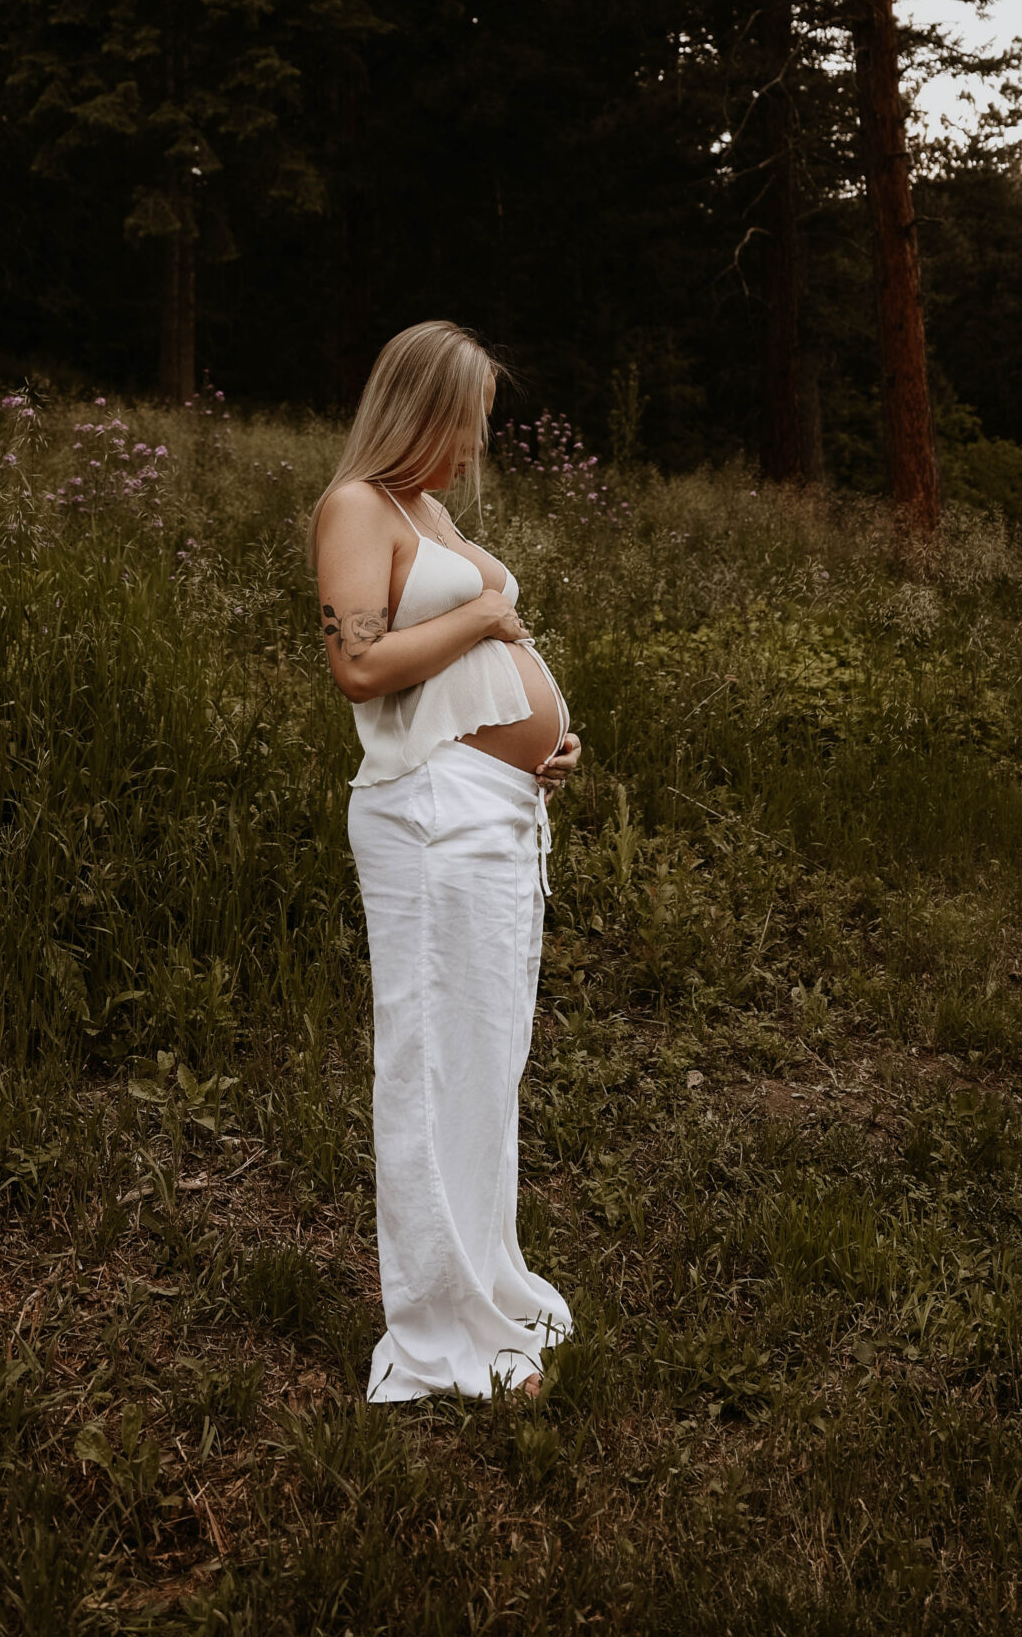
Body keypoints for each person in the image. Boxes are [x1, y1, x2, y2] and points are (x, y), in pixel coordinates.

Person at [311, 319, 579, 1402]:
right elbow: (361, 664)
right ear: (420, 409)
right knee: (431, 1069)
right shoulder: (356, 508)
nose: (475, 445)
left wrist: (542, 741)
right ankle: (435, 1331)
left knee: (484, 1063)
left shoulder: (431, 511)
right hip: (426, 816)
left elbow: (471, 670)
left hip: (495, 809)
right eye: (466, 423)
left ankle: (487, 1282)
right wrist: (483, 613)